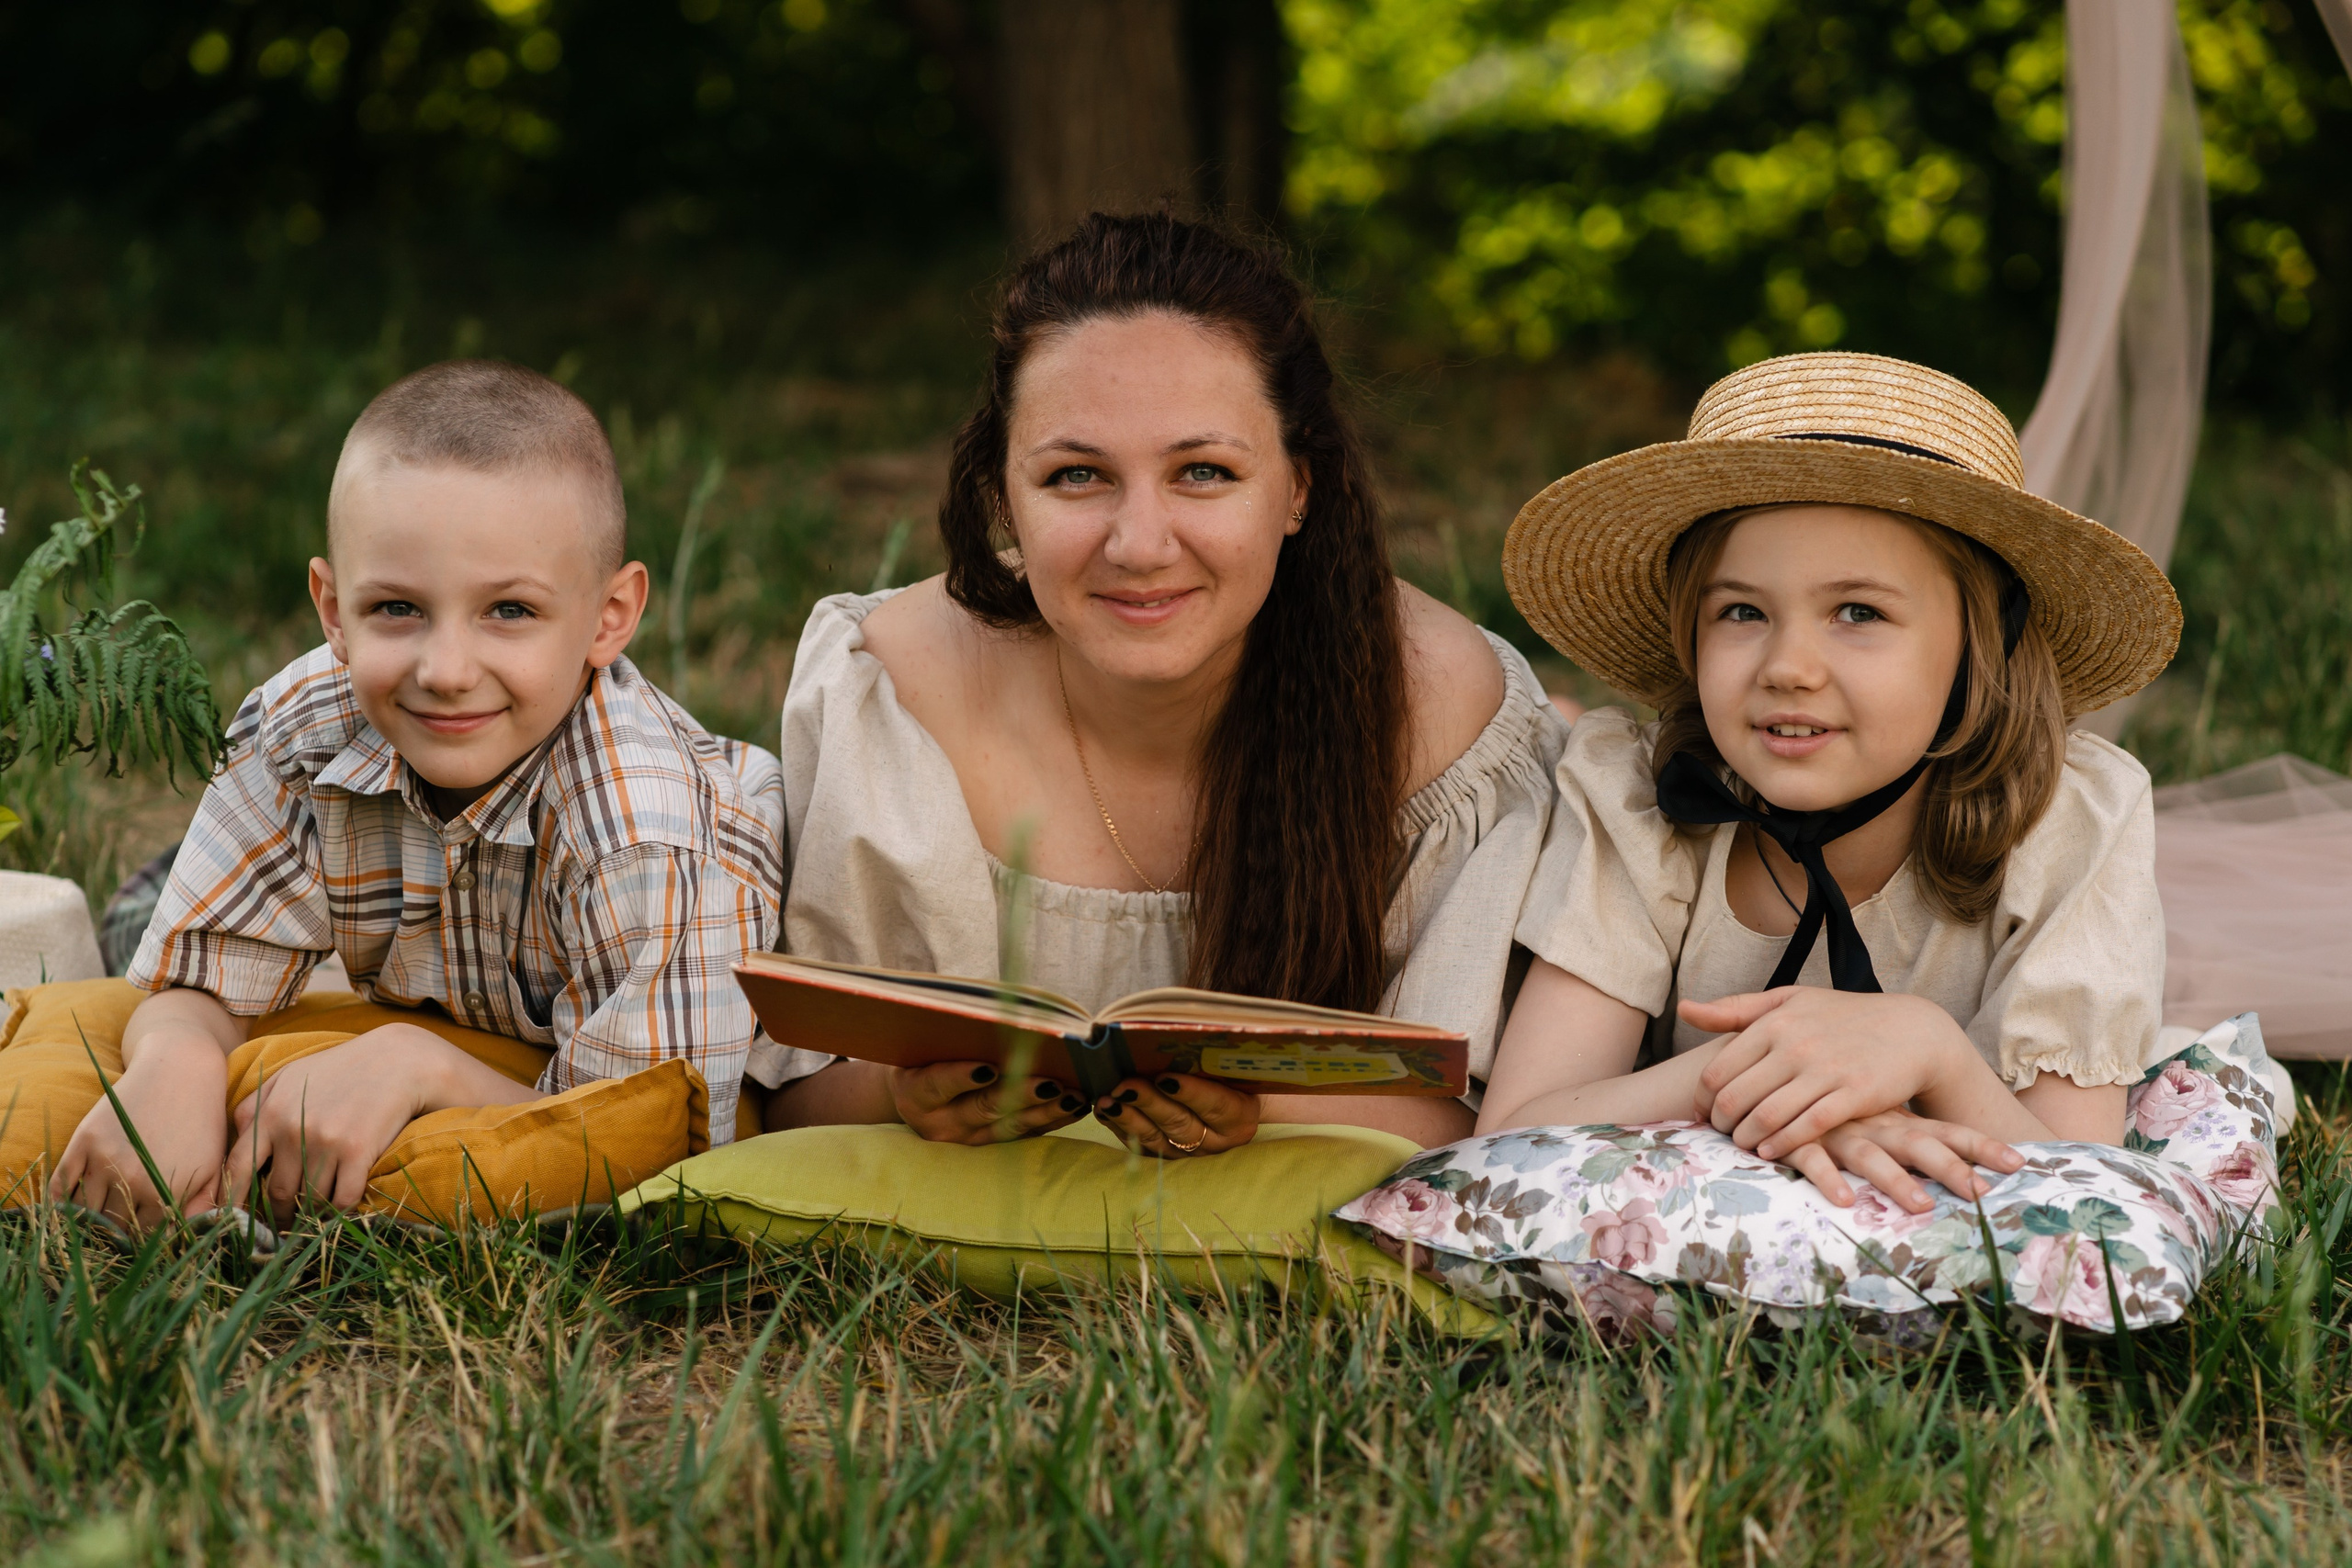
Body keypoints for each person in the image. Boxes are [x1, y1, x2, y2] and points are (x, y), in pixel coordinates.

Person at [761, 212, 1568, 1156]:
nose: (1139, 545)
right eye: (1075, 476)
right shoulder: (888, 690)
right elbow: (781, 1107)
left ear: (1299, 488)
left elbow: (1494, 1117)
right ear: (1001, 498)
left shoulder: (1443, 711)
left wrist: (1264, 1110)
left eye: (1202, 471)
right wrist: (899, 1100)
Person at [43, 359, 798, 1227]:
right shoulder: (307, 725)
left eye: (509, 610)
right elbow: (203, 974)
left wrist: (418, 1064)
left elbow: (660, 1127)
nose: (444, 673)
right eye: (397, 607)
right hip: (443, 970)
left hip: (682, 1006)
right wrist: (175, 1062)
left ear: (610, 615)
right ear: (332, 607)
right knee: (152, 932)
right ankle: (174, 888)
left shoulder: (648, 836)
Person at [1478, 350, 2181, 1213]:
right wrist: (1752, 1076)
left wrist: (1933, 1050)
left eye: (1859, 612)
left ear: (1978, 646)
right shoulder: (1645, 801)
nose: (1788, 667)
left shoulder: (2071, 822)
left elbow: (2082, 1197)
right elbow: (1512, 1135)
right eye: (1742, 611)